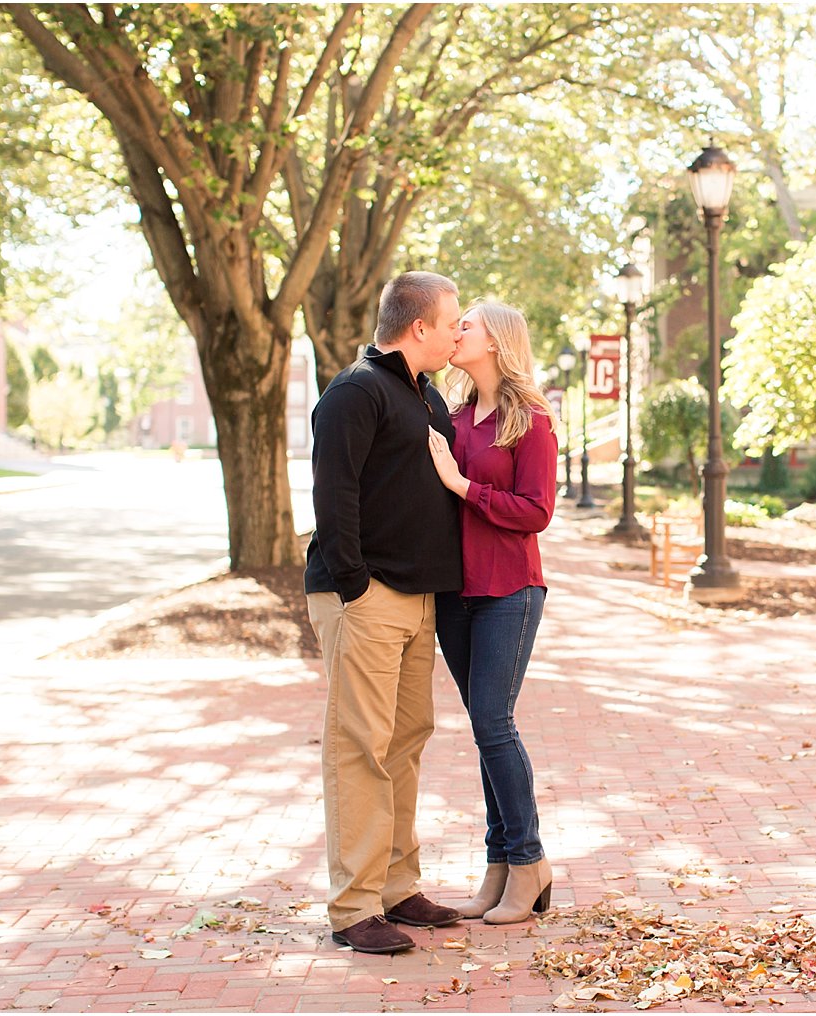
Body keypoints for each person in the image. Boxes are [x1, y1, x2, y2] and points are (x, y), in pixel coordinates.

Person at [303, 271, 466, 955]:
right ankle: (354, 905)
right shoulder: (355, 392)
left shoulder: (426, 397)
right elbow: (332, 496)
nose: (460, 332)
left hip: (418, 598)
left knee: (404, 743)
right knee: (360, 748)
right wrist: (356, 586)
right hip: (367, 598)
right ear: (418, 327)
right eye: (452, 320)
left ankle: (397, 886)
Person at [425, 300, 559, 924]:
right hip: (458, 593)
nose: (456, 331)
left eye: (467, 325)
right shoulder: (453, 418)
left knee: (492, 722)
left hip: (510, 589)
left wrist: (462, 487)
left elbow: (535, 512)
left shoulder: (530, 421)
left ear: (497, 340)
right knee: (485, 731)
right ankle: (499, 865)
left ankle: (528, 861)